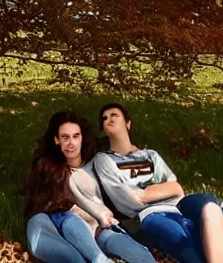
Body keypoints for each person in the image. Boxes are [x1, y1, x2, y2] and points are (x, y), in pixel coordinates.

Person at [92, 102, 223, 263]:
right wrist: (154, 192)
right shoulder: (105, 160)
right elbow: (127, 201)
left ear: (128, 123)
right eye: (104, 118)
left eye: (114, 115)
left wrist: (146, 192)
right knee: (192, 225)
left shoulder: (151, 155)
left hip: (181, 205)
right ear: (102, 128)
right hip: (151, 214)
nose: (108, 119)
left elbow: (176, 188)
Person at [23, 109, 156, 263]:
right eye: (65, 137)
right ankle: (99, 259)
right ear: (56, 140)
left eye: (76, 136)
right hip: (65, 226)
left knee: (142, 256)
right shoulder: (49, 167)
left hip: (100, 230)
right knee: (74, 249)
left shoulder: (97, 167)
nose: (71, 143)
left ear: (82, 138)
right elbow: (48, 205)